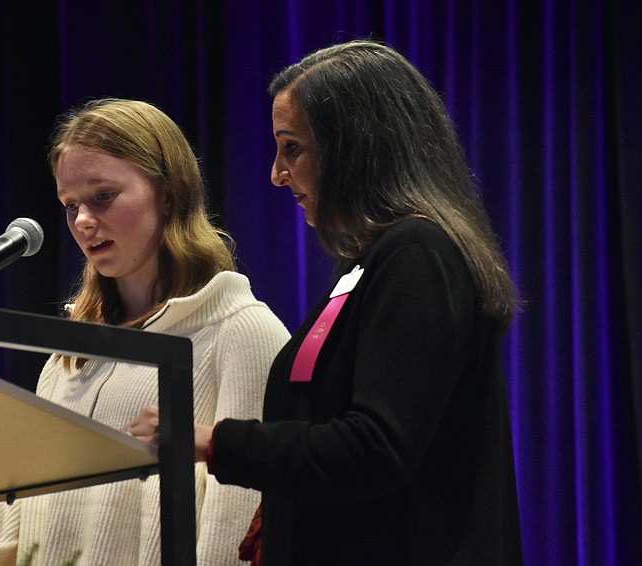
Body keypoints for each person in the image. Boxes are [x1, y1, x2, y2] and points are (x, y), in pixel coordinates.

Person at [128, 40, 524, 564]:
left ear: (354, 146)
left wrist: (216, 443)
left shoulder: (417, 255)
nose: (276, 173)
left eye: (292, 147)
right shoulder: (369, 264)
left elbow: (374, 448)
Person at [0, 98, 290, 565]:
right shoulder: (68, 357)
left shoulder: (241, 332)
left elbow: (236, 523)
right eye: (70, 204)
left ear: (168, 194)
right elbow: (23, 532)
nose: (82, 221)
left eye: (102, 196)